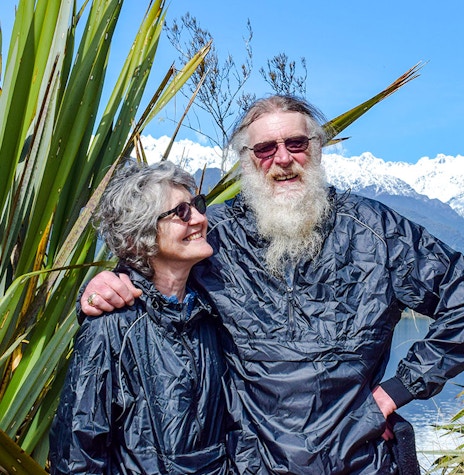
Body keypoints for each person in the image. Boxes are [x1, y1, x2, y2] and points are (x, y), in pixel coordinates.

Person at [80, 95, 464, 475]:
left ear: (316, 150)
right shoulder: (213, 235)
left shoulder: (374, 230)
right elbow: (153, 270)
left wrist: (397, 390)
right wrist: (107, 284)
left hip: (362, 459)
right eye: (265, 149)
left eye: (296, 144)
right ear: (247, 159)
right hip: (252, 464)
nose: (282, 159)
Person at [50, 161, 235, 475]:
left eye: (196, 206)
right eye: (181, 212)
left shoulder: (213, 312)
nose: (201, 218)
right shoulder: (111, 326)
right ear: (140, 236)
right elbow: (78, 453)